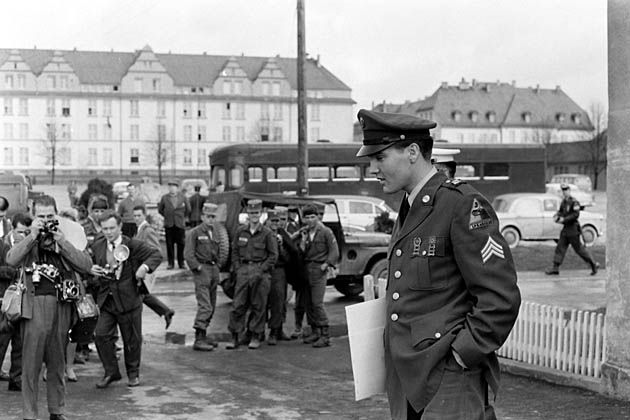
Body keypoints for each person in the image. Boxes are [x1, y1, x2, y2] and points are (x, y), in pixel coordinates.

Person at [355, 109, 521, 420]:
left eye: (380, 157)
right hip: (409, 379)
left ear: (413, 152)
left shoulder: (462, 205)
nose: (373, 168)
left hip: (450, 381)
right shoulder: (410, 207)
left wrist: (461, 354)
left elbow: (500, 298)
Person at [6, 195, 93, 420]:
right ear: (34, 216)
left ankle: (57, 410)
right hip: (34, 306)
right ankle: (29, 414)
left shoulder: (66, 237)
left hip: (62, 305)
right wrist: (32, 236)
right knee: (31, 364)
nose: (46, 221)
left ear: (57, 215)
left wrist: (61, 241)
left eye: (50, 216)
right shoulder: (25, 237)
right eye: (41, 216)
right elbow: (11, 260)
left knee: (57, 362)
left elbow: (85, 265)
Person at [89, 210, 162, 389]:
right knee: (101, 335)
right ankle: (111, 371)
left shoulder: (133, 245)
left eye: (112, 228)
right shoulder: (98, 245)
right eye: (105, 228)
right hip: (107, 300)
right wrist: (93, 270)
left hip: (129, 300)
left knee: (132, 340)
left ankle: (133, 374)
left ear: (120, 227)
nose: (109, 232)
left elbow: (157, 255)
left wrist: (144, 268)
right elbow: (90, 265)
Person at [226, 199, 278, 350]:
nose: (254, 215)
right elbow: (234, 251)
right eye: (251, 213)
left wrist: (261, 270)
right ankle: (234, 336)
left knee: (258, 305)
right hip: (243, 271)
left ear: (261, 214)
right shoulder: (240, 231)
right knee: (238, 305)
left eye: (256, 213)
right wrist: (237, 268)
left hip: (261, 273)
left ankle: (256, 335)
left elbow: (273, 256)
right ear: (247, 214)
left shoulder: (267, 233)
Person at [184, 202, 227, 351]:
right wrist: (197, 267)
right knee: (205, 305)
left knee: (212, 304)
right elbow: (188, 254)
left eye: (213, 217)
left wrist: (218, 266)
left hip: (213, 268)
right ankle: (199, 338)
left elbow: (221, 249)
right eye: (208, 216)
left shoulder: (215, 232)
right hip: (202, 270)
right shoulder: (195, 233)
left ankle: (204, 333)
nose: (210, 219)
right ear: (202, 216)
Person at [298, 204, 339, 348]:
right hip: (307, 269)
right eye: (307, 217)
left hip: (319, 269)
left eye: (313, 217)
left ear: (318, 217)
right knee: (308, 303)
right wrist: (302, 241)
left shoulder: (326, 232)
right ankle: (315, 331)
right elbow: (301, 252)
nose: (310, 220)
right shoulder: (305, 233)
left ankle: (325, 335)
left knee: (317, 303)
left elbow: (334, 251)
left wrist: (327, 264)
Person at [133, 205, 175, 329]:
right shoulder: (139, 229)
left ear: (144, 215)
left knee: (137, 298)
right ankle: (166, 312)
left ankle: (135, 329)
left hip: (143, 269)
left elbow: (156, 251)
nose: (136, 218)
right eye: (134, 216)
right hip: (138, 269)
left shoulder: (147, 230)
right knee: (143, 296)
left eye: (139, 215)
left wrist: (145, 266)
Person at [545, 184, 600, 276]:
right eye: (563, 191)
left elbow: (575, 215)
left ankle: (593, 264)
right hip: (566, 229)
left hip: (573, 229)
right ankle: (555, 268)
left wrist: (564, 219)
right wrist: (557, 216)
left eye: (566, 190)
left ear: (569, 191)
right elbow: (561, 211)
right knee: (560, 248)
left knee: (579, 249)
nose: (564, 192)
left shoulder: (574, 202)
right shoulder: (564, 202)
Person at [265, 207, 299, 345]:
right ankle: (257, 332)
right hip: (265, 269)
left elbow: (290, 256)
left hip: (279, 270)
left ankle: (276, 330)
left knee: (279, 301)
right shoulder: (263, 233)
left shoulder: (282, 235)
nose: (275, 223)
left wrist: (281, 247)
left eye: (277, 220)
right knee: (261, 302)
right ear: (267, 221)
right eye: (272, 220)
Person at [158, 179, 190, 269]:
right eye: (170, 187)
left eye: (174, 187)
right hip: (169, 224)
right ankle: (170, 263)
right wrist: (167, 216)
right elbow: (160, 209)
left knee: (181, 244)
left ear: (177, 188)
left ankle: (181, 262)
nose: (172, 189)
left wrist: (181, 217)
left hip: (180, 224)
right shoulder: (164, 198)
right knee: (169, 244)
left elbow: (188, 209)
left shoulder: (182, 197)